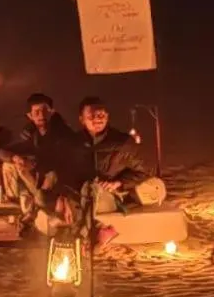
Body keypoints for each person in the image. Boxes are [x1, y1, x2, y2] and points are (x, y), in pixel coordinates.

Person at [62, 96, 167, 243]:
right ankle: (99, 231)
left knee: (92, 189)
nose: (97, 119)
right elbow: (67, 173)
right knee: (83, 192)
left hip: (108, 196)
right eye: (91, 116)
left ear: (107, 116)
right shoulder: (73, 143)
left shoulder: (122, 143)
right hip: (80, 194)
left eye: (101, 115)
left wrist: (118, 183)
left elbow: (144, 171)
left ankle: (82, 238)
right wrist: (65, 198)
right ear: (82, 119)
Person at [5, 93, 77, 222]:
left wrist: (64, 196)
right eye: (37, 112)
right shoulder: (31, 134)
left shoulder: (63, 134)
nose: (41, 115)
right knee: (9, 165)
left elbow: (65, 165)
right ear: (30, 116)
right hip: (39, 181)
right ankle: (13, 210)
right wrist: (16, 158)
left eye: (45, 110)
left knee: (49, 178)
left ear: (52, 112)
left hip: (57, 184)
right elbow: (3, 151)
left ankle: (32, 210)